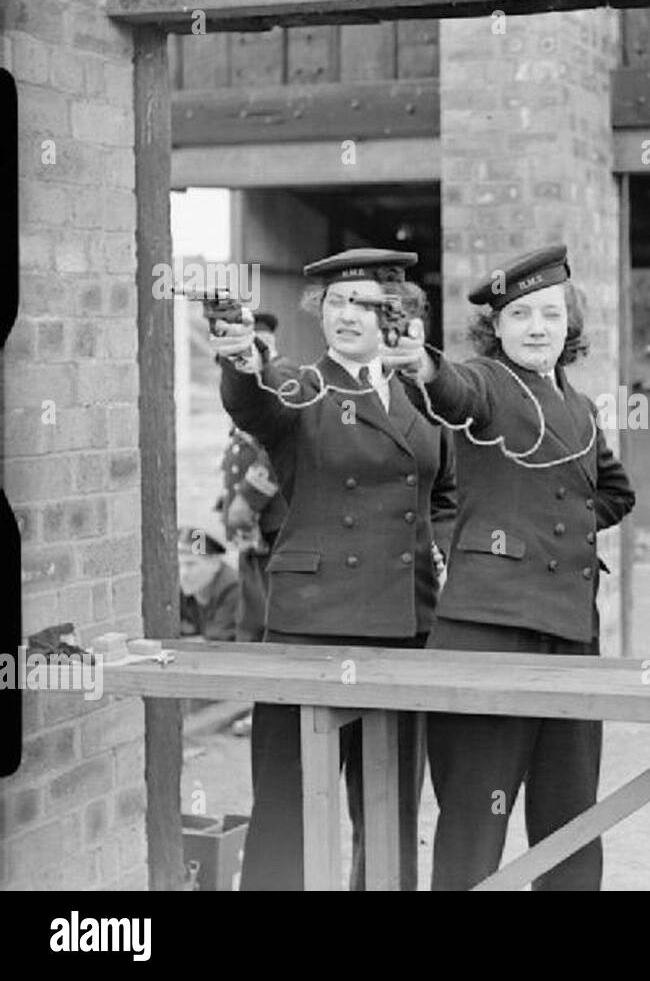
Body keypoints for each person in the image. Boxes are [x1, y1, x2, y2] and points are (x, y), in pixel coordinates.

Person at [208, 247, 457, 891]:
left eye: (367, 305)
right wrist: (241, 356)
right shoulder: (302, 384)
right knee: (286, 808)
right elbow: (258, 399)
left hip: (405, 622)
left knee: (387, 812)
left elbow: (448, 495)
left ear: (397, 317)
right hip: (311, 625)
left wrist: (444, 552)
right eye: (337, 303)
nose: (348, 316)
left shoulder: (426, 392)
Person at [388, 244, 636, 890]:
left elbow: (617, 492)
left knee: (572, 820)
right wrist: (419, 363)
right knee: (475, 821)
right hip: (488, 631)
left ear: (568, 324)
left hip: (571, 637)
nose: (537, 328)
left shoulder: (579, 408)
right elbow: (452, 392)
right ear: (496, 328)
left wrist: (555, 537)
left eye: (550, 315)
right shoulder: (489, 382)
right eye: (520, 315)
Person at [219, 310, 289, 643]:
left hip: (271, 518)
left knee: (269, 611)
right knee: (252, 611)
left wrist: (247, 499)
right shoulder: (245, 387)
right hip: (251, 525)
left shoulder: (284, 383)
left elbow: (276, 450)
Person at [176, 526, 240, 641]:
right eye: (177, 565)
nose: (183, 573)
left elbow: (214, 645)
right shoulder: (179, 587)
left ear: (215, 562)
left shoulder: (234, 589)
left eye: (191, 564)